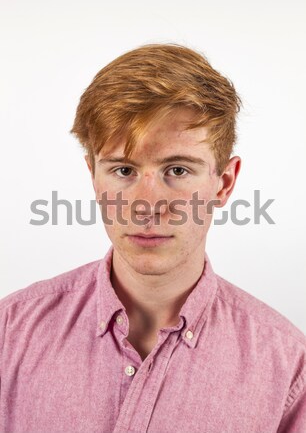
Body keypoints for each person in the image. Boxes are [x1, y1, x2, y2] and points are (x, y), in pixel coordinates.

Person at [0, 44, 305, 433]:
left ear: (223, 183)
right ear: (93, 176)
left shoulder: (288, 367)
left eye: (177, 170)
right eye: (124, 170)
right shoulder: (8, 334)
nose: (146, 204)